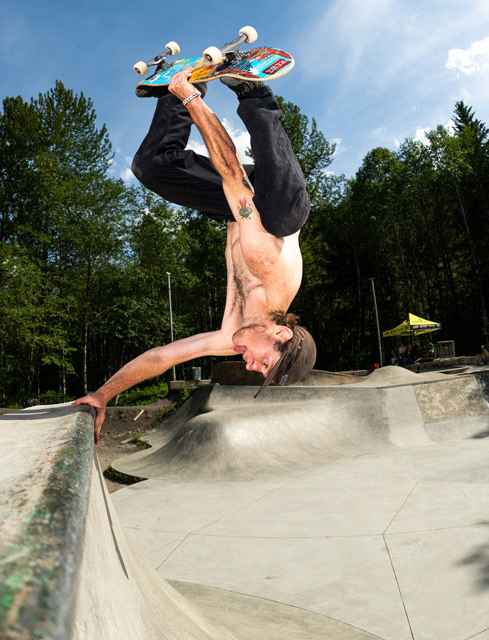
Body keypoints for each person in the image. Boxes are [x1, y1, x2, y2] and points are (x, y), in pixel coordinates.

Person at [74, 70, 316, 443]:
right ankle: (255, 95)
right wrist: (194, 99)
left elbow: (163, 357)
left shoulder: (229, 335)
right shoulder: (268, 267)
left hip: (238, 210)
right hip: (274, 201)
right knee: (285, 216)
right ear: (280, 333)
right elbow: (232, 169)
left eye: (257, 370)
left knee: (152, 166)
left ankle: (172, 98)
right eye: (263, 362)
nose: (249, 365)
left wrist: (102, 395)